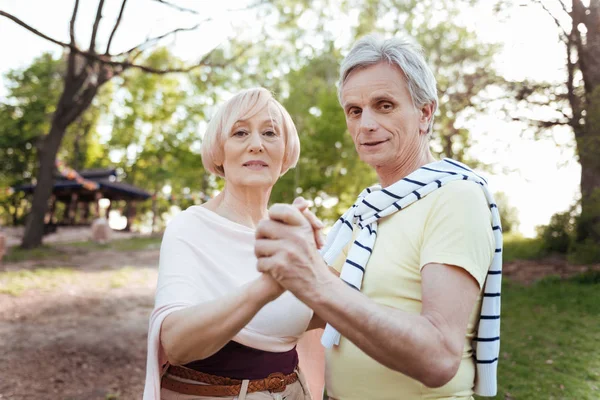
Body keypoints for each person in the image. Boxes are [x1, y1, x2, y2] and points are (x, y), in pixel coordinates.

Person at [255, 34, 503, 400]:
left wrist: (315, 280)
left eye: (384, 105)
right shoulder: (367, 211)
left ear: (425, 112)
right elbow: (310, 311)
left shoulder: (455, 197)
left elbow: (439, 356)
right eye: (354, 110)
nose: (365, 123)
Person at [144, 88, 326, 400]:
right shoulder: (189, 228)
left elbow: (313, 319)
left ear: (285, 152)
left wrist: (324, 267)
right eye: (240, 132)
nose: (256, 144)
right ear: (219, 151)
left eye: (270, 133)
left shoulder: (291, 233)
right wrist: (267, 286)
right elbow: (176, 344)